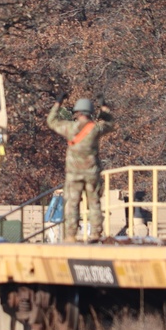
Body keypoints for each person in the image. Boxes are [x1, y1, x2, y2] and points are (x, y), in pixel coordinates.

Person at [47, 94, 115, 242]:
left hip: (74, 174)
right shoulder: (95, 129)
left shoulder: (69, 128)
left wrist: (58, 103)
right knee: (94, 203)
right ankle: (96, 234)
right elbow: (110, 124)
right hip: (91, 173)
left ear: (77, 112)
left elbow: (51, 121)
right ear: (90, 112)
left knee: (72, 203)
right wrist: (104, 109)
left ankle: (71, 235)